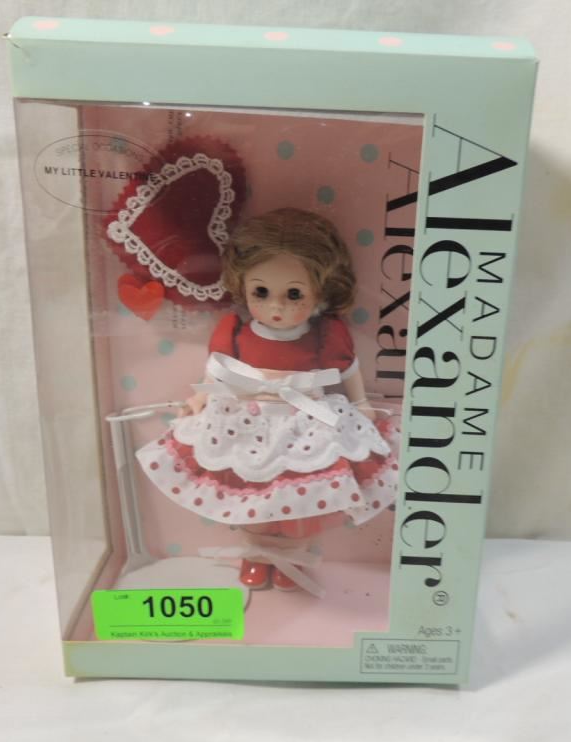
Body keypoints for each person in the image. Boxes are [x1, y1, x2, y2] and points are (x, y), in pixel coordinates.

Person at [136, 208, 399, 593]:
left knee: (303, 500)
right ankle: (257, 556)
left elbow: (347, 370)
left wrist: (360, 405)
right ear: (242, 286)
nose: (277, 307)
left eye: (294, 294)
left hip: (305, 422)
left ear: (321, 289)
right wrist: (199, 397)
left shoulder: (327, 333)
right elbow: (218, 370)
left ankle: (291, 558)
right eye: (261, 292)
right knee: (251, 496)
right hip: (246, 421)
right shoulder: (234, 330)